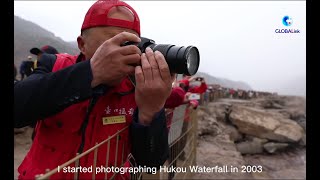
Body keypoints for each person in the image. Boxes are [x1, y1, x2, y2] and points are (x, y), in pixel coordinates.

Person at [14, 1, 172, 179]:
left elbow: (151, 164)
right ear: (82, 45)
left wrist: (151, 109)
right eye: (113, 44)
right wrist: (91, 73)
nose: (122, 53)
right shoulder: (54, 65)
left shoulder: (137, 87)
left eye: (131, 45)